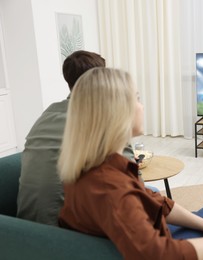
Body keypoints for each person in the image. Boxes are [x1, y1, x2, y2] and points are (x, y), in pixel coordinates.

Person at [58, 68, 203, 259]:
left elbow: (156, 202)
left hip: (128, 239)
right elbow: (158, 254)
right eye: (136, 98)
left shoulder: (94, 166)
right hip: (153, 247)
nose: (142, 106)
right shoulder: (111, 186)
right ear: (117, 111)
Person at [17, 50, 156, 226]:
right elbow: (137, 190)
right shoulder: (101, 119)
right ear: (100, 82)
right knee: (153, 193)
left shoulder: (47, 114)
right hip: (67, 235)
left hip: (23, 229)